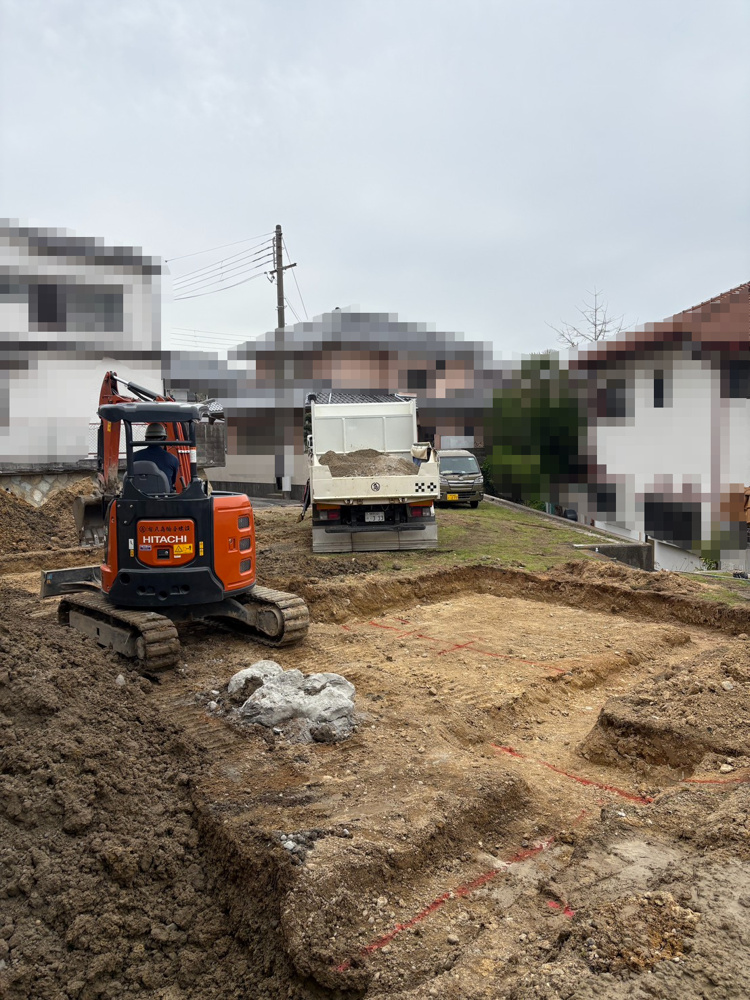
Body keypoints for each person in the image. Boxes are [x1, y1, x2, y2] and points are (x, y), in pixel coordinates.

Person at [135, 423, 180, 491]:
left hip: (138, 498)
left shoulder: (133, 457)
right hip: (165, 499)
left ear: (146, 439)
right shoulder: (172, 459)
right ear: (164, 439)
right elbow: (172, 481)